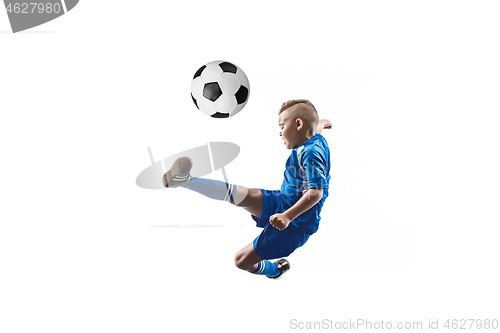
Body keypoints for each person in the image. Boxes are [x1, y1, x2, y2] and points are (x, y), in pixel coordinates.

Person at [163, 99, 332, 279]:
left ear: (298, 124)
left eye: (282, 126)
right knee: (242, 193)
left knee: (241, 260)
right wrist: (320, 123)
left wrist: (287, 216)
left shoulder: (312, 153)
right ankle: (184, 180)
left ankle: (276, 271)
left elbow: (315, 193)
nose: (280, 132)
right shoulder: (313, 137)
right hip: (283, 200)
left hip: (296, 224)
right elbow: (314, 130)